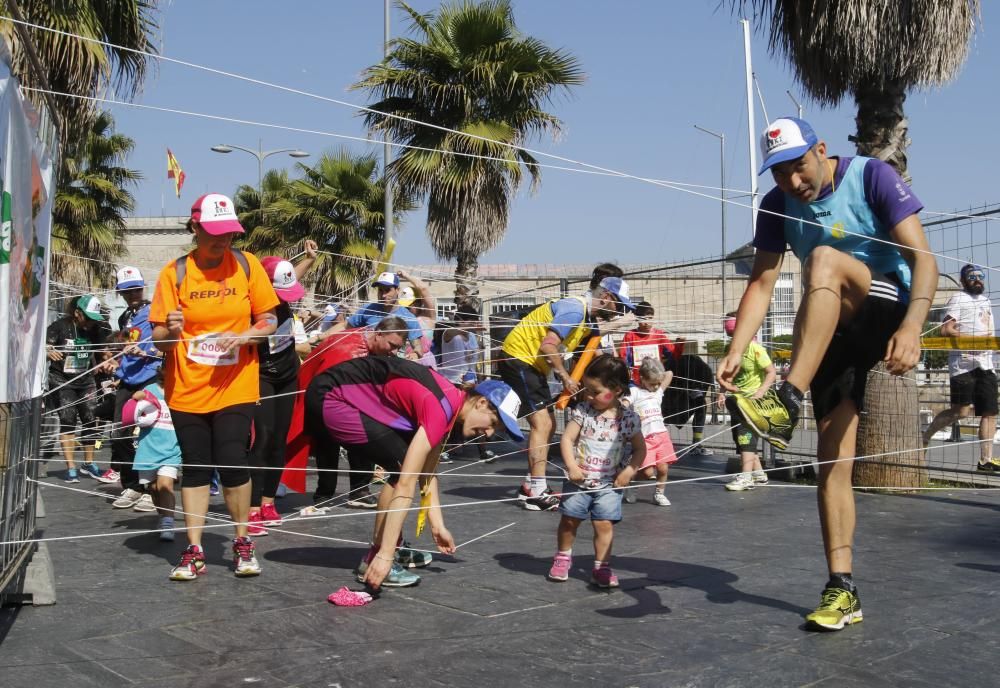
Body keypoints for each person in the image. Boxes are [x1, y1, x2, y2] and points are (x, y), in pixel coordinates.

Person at [717, 117, 937, 631]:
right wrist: (736, 346)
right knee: (832, 462)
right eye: (780, 174)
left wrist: (912, 327)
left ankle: (785, 399)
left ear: (820, 150)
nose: (793, 183)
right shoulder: (777, 206)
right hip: (831, 328)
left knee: (823, 259)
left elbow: (924, 260)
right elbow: (762, 283)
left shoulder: (873, 176)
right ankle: (842, 588)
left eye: (799, 167)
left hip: (883, 302)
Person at [305, 355, 524, 590]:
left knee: (403, 466)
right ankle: (377, 557)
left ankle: (387, 548)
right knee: (401, 470)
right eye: (493, 423)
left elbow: (428, 472)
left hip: (340, 393)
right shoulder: (440, 408)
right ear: (481, 403)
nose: (490, 434)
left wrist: (437, 526)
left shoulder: (450, 404)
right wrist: (385, 555)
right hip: (331, 397)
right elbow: (407, 483)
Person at [150, 192, 279, 581]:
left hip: (236, 383)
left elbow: (269, 320)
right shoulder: (174, 274)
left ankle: (242, 543)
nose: (222, 241)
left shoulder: (247, 265)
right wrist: (171, 331)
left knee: (231, 458)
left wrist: (243, 338)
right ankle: (194, 549)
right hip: (187, 387)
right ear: (195, 228)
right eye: (214, 233)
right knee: (196, 466)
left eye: (228, 233)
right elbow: (158, 339)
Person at [500, 276, 637, 511]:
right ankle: (535, 490)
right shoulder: (575, 309)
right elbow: (548, 345)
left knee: (547, 425)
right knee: (542, 424)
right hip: (519, 360)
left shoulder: (584, 316)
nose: (618, 310)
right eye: (618, 305)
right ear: (605, 297)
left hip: (529, 364)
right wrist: (566, 376)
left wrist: (622, 322)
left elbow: (596, 330)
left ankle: (532, 483)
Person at [282, 316, 409, 504]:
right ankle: (325, 492)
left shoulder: (371, 346)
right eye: (392, 345)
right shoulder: (348, 349)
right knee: (327, 444)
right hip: (327, 400)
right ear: (379, 334)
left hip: (353, 401)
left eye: (398, 347)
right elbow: (322, 381)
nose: (394, 351)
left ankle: (359, 490)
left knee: (364, 440)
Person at [547, 355, 645, 588]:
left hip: (609, 485)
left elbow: (641, 449)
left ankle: (602, 566)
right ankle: (563, 557)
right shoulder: (583, 411)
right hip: (578, 481)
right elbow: (567, 439)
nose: (588, 396)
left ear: (616, 390)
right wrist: (571, 466)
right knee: (570, 521)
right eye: (587, 390)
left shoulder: (629, 419)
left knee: (604, 524)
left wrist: (629, 471)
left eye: (595, 391)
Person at [247, 240, 319, 536]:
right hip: (261, 374)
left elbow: (290, 279)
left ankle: (267, 502)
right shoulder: (251, 305)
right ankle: (250, 509)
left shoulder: (284, 300)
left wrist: (310, 259)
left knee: (279, 439)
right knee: (261, 438)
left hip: (289, 374)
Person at [922, 264, 1000, 471]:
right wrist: (972, 340)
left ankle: (985, 460)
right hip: (963, 363)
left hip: (986, 363)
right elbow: (946, 330)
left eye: (980, 276)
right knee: (961, 412)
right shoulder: (958, 298)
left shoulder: (986, 301)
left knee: (989, 412)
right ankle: (926, 436)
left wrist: (992, 347)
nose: (977, 279)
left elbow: (988, 331)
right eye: (972, 276)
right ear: (963, 279)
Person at [45, 294, 119, 484]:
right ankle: (71, 468)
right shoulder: (60, 326)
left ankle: (88, 463)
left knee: (91, 419)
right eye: (88, 318)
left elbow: (104, 353)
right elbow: (43, 345)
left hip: (86, 379)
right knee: (68, 419)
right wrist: (48, 350)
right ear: (77, 313)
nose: (90, 323)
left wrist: (111, 362)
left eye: (94, 319)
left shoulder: (97, 329)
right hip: (62, 379)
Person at [109, 266, 163, 510]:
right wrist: (116, 363)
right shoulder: (125, 317)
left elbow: (168, 344)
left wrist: (148, 352)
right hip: (127, 380)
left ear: (143, 287)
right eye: (127, 291)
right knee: (119, 434)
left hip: (150, 378)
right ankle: (132, 485)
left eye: (136, 289)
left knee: (149, 436)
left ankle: (152, 491)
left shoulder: (156, 312)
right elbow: (126, 346)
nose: (133, 294)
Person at [716, 313, 775, 491]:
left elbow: (771, 372)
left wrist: (761, 391)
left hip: (753, 402)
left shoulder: (756, 349)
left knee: (745, 436)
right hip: (737, 402)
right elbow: (727, 374)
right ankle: (758, 474)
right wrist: (721, 392)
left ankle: (746, 477)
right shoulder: (731, 350)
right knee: (740, 439)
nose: (734, 339)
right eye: (731, 336)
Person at [121, 379, 181, 541]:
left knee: (164, 485)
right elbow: (132, 410)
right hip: (148, 447)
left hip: (172, 447)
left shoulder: (182, 388)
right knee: (153, 488)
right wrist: (135, 398)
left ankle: (168, 522)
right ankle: (163, 516)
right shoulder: (149, 389)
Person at [437, 300, 496, 464]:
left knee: (479, 413)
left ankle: (483, 451)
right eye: (468, 320)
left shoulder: (471, 336)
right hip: (451, 382)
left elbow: (473, 361)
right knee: (449, 418)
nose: (471, 324)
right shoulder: (449, 333)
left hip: (470, 382)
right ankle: (442, 451)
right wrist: (468, 326)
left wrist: (478, 380)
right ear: (460, 320)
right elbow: (455, 331)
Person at [323, 271, 424, 358]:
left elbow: (418, 348)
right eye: (380, 290)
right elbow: (344, 327)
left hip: (392, 365)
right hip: (365, 362)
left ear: (397, 290)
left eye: (388, 290)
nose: (383, 295)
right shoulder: (367, 309)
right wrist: (319, 337)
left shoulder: (408, 317)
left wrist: (415, 354)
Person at [624, 357, 676, 506]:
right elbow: (625, 403)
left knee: (663, 468)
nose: (655, 386)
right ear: (642, 379)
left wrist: (654, 367)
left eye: (658, 383)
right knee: (647, 473)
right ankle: (633, 485)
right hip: (645, 438)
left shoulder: (658, 392)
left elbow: (670, 373)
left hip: (661, 435)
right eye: (652, 383)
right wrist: (627, 411)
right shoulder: (635, 392)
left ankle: (659, 493)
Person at [664, 339, 714, 455]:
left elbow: (701, 391)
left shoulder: (703, 370)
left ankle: (696, 443)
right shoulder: (674, 364)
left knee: (701, 406)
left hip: (686, 390)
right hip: (670, 390)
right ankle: (695, 444)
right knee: (662, 411)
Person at [619, 301, 677, 385]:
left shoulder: (659, 335)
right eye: (643, 319)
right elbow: (624, 358)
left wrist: (679, 345)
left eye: (650, 318)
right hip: (636, 382)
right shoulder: (630, 335)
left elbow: (673, 354)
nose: (647, 323)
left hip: (655, 381)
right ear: (637, 319)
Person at [396, 269, 437, 368]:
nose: (405, 309)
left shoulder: (428, 317)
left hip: (426, 365)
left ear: (419, 303)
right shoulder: (400, 319)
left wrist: (406, 276)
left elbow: (423, 289)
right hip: (405, 364)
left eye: (409, 306)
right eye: (404, 306)